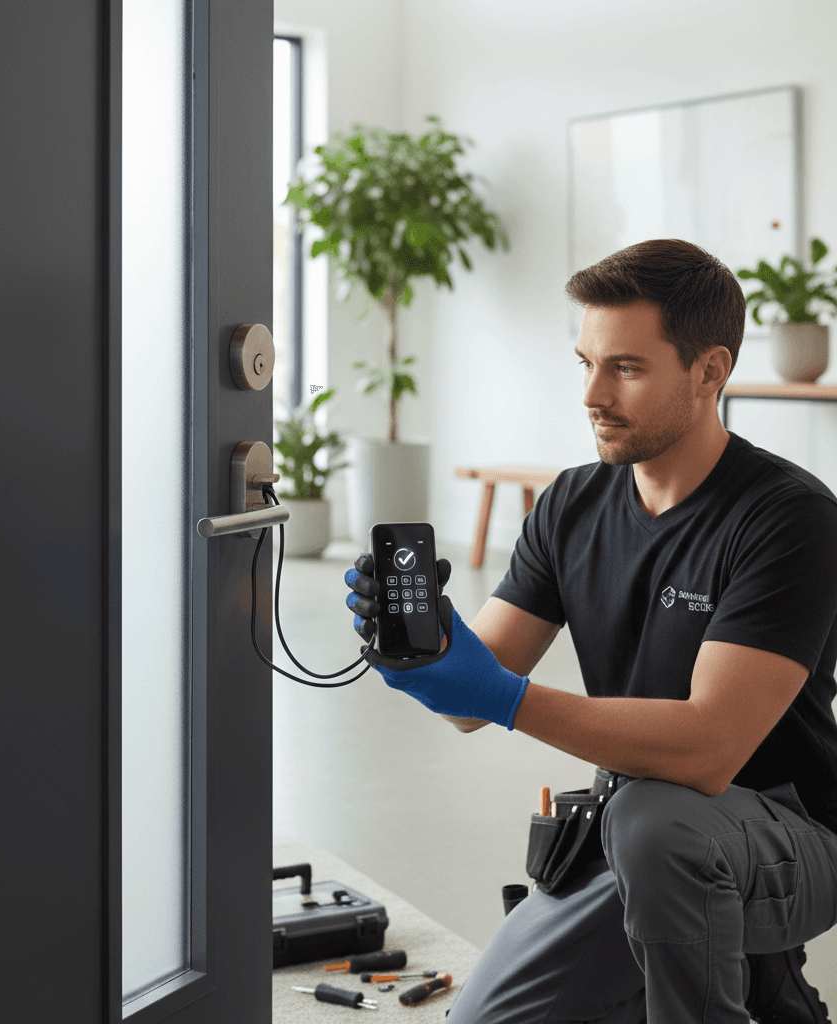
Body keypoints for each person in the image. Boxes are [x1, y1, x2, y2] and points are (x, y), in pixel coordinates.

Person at [344, 239, 837, 1024]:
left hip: (786, 833)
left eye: (627, 369)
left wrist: (505, 695)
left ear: (710, 372)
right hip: (631, 839)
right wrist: (429, 651)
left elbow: (710, 750)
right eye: (586, 364)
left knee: (656, 821)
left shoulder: (789, 518)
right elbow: (471, 697)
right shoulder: (571, 505)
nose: (592, 394)